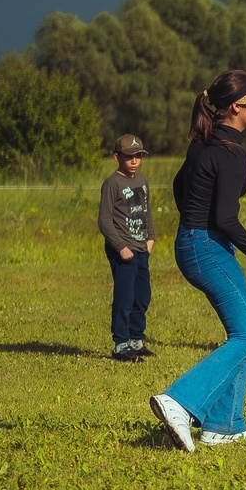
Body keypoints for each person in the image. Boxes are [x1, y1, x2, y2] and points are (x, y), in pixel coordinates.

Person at [150, 72, 246, 451]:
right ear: (236, 107)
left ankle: (225, 425)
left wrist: (193, 220)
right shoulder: (231, 153)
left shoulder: (203, 144)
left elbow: (179, 186)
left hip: (192, 243)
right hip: (208, 247)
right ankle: (180, 401)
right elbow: (225, 218)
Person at [98, 134, 156, 362]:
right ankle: (120, 345)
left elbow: (146, 211)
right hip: (123, 250)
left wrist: (151, 238)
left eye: (138, 156)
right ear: (117, 157)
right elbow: (104, 220)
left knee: (142, 296)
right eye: (129, 156)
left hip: (141, 247)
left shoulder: (142, 181)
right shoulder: (113, 183)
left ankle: (136, 340)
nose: (134, 161)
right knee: (125, 297)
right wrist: (120, 247)